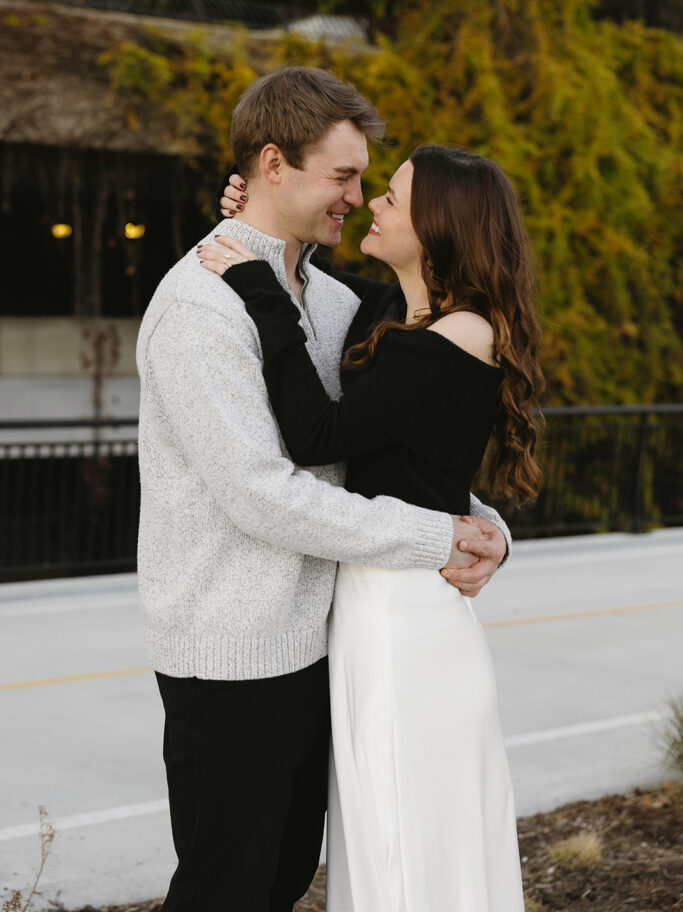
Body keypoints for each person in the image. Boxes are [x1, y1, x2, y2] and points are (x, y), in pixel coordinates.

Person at [136, 66, 511, 912]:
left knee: (277, 880)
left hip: (314, 641)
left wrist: (480, 522)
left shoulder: (330, 299)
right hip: (230, 653)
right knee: (224, 888)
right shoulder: (201, 307)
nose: (357, 195)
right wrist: (434, 539)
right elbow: (261, 493)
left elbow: (402, 436)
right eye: (343, 176)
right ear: (274, 164)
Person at [202, 142, 544, 911]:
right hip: (374, 603)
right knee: (383, 831)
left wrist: (256, 281)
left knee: (403, 837)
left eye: (392, 195)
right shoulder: (397, 310)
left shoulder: (461, 335)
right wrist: (255, 219)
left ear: (440, 224)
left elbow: (317, 434)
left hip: (405, 624)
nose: (373, 205)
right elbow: (311, 285)